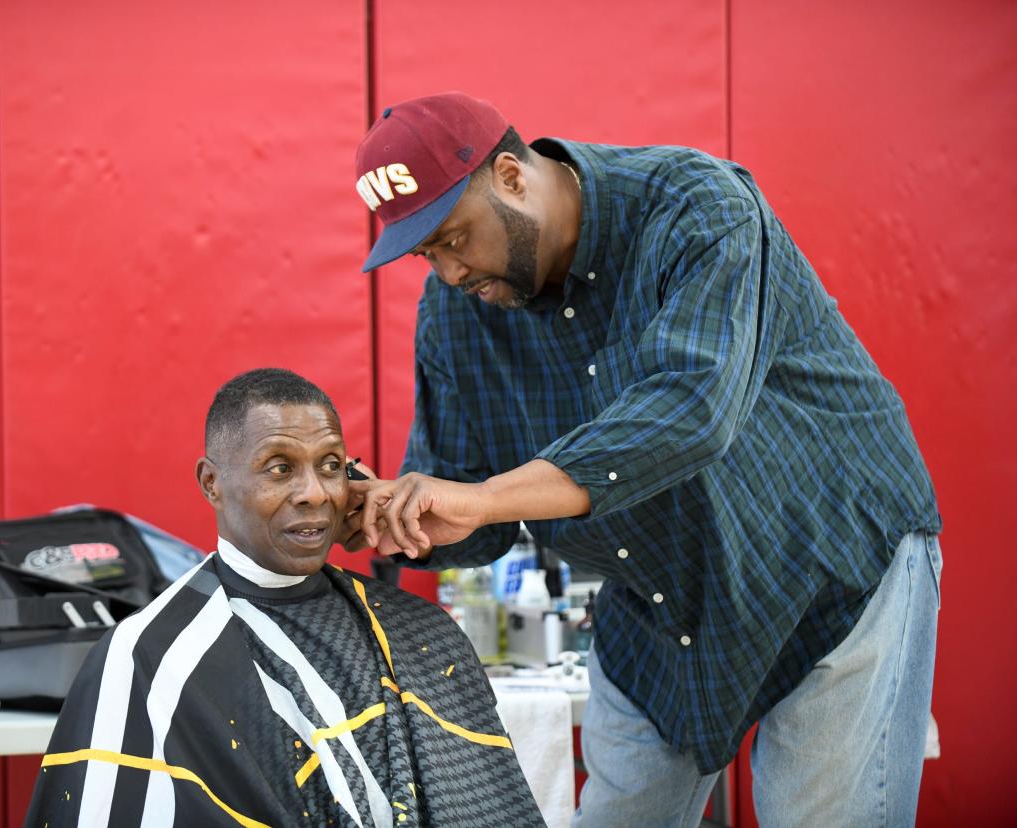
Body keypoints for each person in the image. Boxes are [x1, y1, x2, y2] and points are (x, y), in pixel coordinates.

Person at [344, 92, 942, 827]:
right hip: (657, 609)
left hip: (828, 564)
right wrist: (409, 518)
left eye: (453, 237)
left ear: (509, 175)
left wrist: (488, 498)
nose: (447, 272)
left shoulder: (697, 207)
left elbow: (689, 413)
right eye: (424, 254)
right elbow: (476, 505)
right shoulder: (456, 312)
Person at [25, 368, 543, 827]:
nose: (315, 492)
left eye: (332, 465)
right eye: (280, 468)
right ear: (212, 483)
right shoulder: (148, 657)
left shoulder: (421, 633)